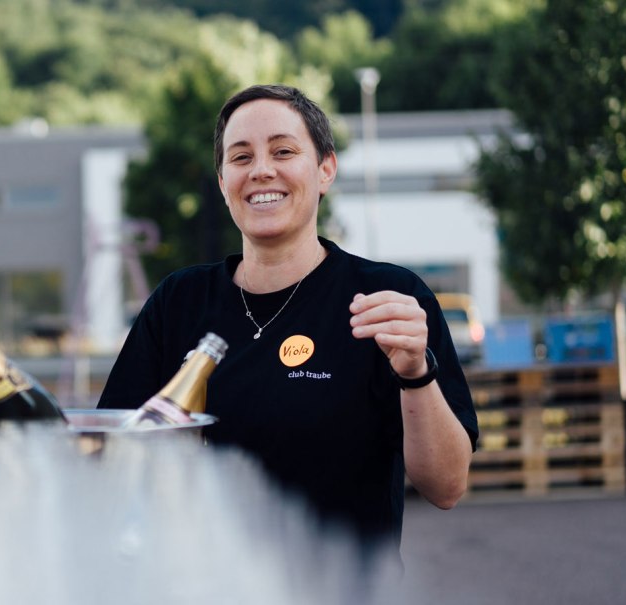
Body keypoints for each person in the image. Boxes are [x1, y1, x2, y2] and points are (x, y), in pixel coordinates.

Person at [99, 84, 477, 553]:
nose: (261, 170)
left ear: (325, 169)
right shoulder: (178, 301)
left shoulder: (388, 300)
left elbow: (446, 486)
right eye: (240, 158)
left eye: (283, 151)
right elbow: (113, 464)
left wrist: (416, 373)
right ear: (222, 182)